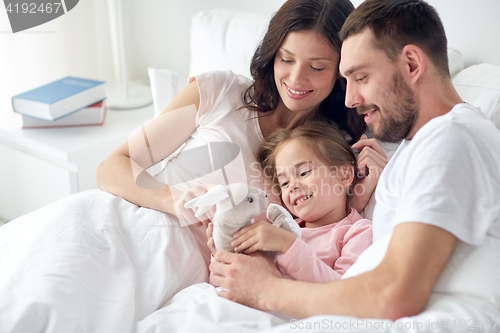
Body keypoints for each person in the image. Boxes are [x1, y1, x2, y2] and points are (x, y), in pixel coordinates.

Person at [209, 0, 500, 321]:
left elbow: (395, 296)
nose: (350, 99)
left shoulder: (449, 139)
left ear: (412, 64)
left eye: (361, 77)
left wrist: (265, 289)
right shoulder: (430, 142)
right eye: (346, 82)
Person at [97, 0, 386, 239]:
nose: (296, 78)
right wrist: (173, 200)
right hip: (124, 226)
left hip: (187, 277)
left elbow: (316, 247)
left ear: (340, 71)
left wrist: (354, 204)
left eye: (316, 66)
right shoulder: (219, 91)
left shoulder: (334, 152)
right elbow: (111, 167)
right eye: (286, 59)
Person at [206, 121, 372, 283]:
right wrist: (223, 252)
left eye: (303, 172)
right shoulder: (277, 227)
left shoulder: (358, 232)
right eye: (284, 183)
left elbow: (344, 291)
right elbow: (227, 281)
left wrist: (288, 245)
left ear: (344, 175)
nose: (292, 186)